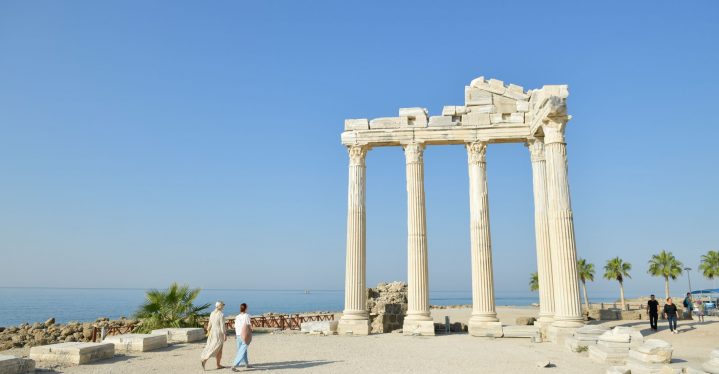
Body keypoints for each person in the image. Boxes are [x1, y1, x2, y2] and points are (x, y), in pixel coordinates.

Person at [201, 301, 227, 370]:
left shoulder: (212, 313)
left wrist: (208, 331)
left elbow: (209, 324)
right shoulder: (221, 314)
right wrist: (225, 334)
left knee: (211, 346)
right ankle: (205, 359)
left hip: (212, 332)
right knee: (218, 348)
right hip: (218, 333)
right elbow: (222, 326)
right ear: (219, 306)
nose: (223, 307)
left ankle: (218, 364)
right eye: (222, 305)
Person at [232, 303, 253, 371]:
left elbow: (235, 327)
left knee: (243, 350)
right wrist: (252, 330)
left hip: (238, 335)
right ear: (246, 308)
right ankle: (234, 365)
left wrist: (236, 334)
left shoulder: (237, 316)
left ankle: (246, 363)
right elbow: (249, 325)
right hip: (244, 335)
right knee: (242, 350)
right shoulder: (246, 316)